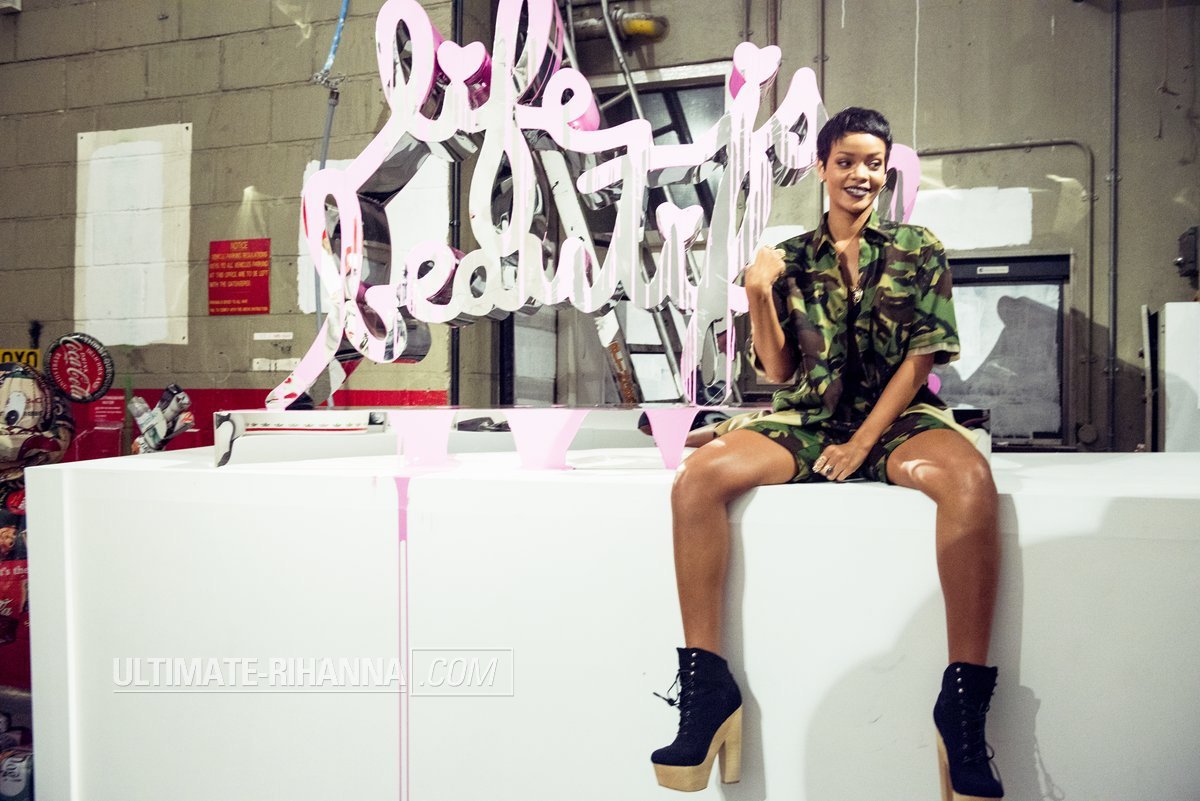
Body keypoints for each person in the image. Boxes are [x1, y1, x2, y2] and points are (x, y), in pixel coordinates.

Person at [649, 107, 1004, 800]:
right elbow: (779, 371)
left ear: (886, 171)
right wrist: (758, 293)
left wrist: (862, 442)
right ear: (821, 168)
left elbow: (921, 358)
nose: (860, 174)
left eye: (873, 163)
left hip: (896, 420)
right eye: (846, 161)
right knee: (696, 481)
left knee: (970, 480)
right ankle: (707, 688)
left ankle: (962, 710)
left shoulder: (919, 248)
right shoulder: (789, 258)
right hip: (809, 420)